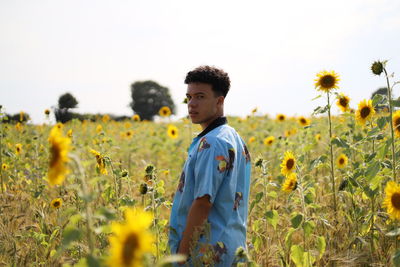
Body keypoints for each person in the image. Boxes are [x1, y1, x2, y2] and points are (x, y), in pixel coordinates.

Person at [169, 65, 251, 266]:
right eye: (189, 97)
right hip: (232, 248)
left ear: (219, 101)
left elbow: (203, 201)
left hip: (206, 254)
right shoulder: (232, 136)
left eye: (200, 97)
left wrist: (181, 255)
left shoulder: (212, 143)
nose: (192, 104)